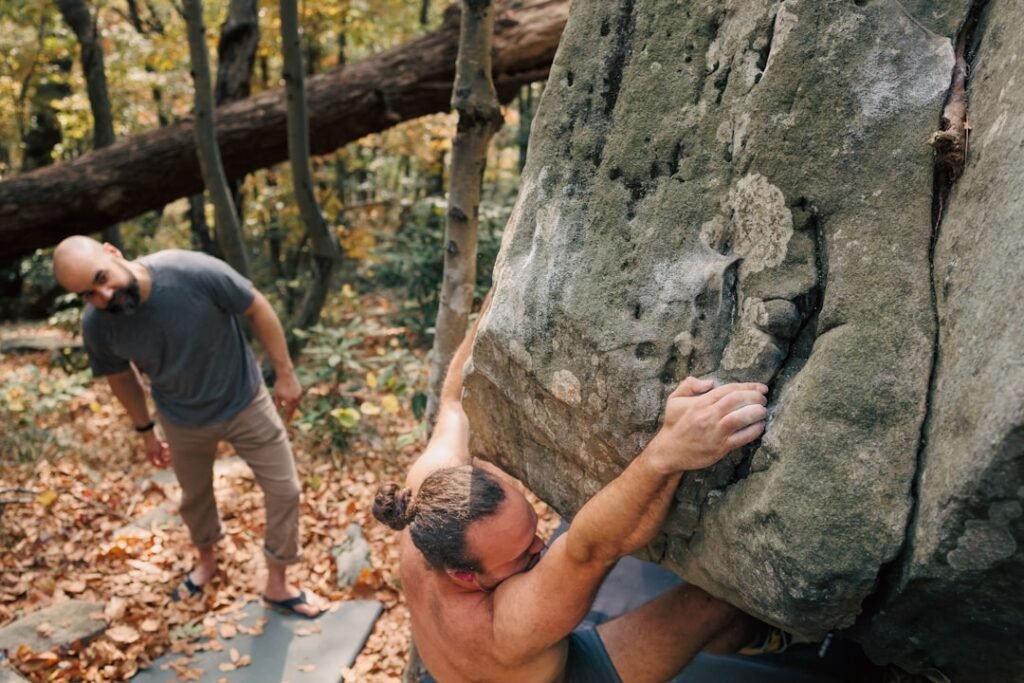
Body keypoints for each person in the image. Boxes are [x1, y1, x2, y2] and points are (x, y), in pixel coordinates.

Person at [373, 295, 775, 682]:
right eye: (523, 552)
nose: (540, 546)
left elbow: (455, 404)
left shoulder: (423, 501)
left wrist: (497, 295)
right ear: (465, 577)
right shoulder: (507, 626)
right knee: (718, 604)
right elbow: (591, 549)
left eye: (532, 530)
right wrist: (667, 452)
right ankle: (759, 636)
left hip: (479, 668)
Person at [52, 236, 323, 618]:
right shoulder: (98, 326)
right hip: (180, 418)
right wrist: (145, 429)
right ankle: (207, 561)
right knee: (195, 497)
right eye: (90, 293)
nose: (105, 293)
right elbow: (120, 377)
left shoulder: (190, 271)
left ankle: (278, 582)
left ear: (113, 253)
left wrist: (285, 374)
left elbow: (256, 306)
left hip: (245, 401)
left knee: (285, 490)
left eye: (102, 277)